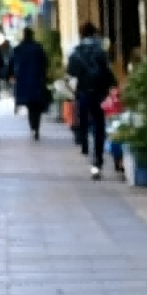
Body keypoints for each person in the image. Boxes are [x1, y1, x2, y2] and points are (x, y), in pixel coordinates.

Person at [64, 22, 116, 178]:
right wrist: (113, 85)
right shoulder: (100, 50)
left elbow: (71, 72)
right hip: (99, 92)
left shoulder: (76, 51)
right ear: (94, 34)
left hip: (83, 92)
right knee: (99, 125)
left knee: (83, 119)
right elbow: (107, 71)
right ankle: (98, 160)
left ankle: (85, 144)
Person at [9, 27, 50, 140]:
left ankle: (33, 127)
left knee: (30, 105)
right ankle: (36, 127)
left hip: (23, 80)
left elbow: (11, 62)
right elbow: (45, 62)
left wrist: (10, 74)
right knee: (37, 106)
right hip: (37, 79)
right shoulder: (38, 48)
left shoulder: (18, 48)